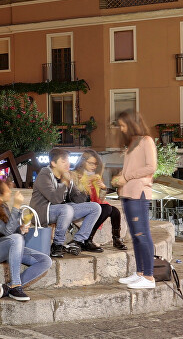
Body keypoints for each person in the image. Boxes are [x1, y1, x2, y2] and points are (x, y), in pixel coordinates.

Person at [0, 179, 53, 301]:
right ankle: (16, 286)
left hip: (8, 247)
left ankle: (10, 287)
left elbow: (11, 232)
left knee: (45, 261)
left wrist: (20, 229)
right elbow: (7, 232)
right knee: (16, 238)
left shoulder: (2, 206)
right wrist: (16, 206)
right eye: (7, 190)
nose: (10, 192)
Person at [112, 109, 157, 290]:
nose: (121, 129)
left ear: (131, 124)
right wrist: (119, 178)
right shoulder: (132, 144)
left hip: (139, 193)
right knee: (136, 235)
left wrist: (126, 176)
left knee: (142, 234)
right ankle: (140, 273)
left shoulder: (146, 141)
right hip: (128, 192)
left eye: (123, 125)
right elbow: (130, 170)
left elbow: (151, 167)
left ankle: (149, 276)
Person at [30, 148, 103, 257]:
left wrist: (83, 187)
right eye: (63, 161)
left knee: (95, 207)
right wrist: (65, 183)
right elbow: (54, 199)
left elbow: (77, 200)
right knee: (66, 209)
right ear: (53, 163)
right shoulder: (44, 174)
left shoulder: (67, 175)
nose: (67, 164)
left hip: (62, 211)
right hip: (42, 213)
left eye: (68, 161)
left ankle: (77, 241)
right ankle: (57, 245)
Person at [78, 149, 127, 251]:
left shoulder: (95, 177)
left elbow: (101, 198)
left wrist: (103, 188)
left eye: (95, 164)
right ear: (83, 162)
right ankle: (87, 239)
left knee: (115, 211)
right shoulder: (77, 175)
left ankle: (116, 239)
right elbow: (77, 196)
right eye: (91, 163)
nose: (93, 166)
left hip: (94, 204)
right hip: (82, 205)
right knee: (107, 208)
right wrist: (85, 185)